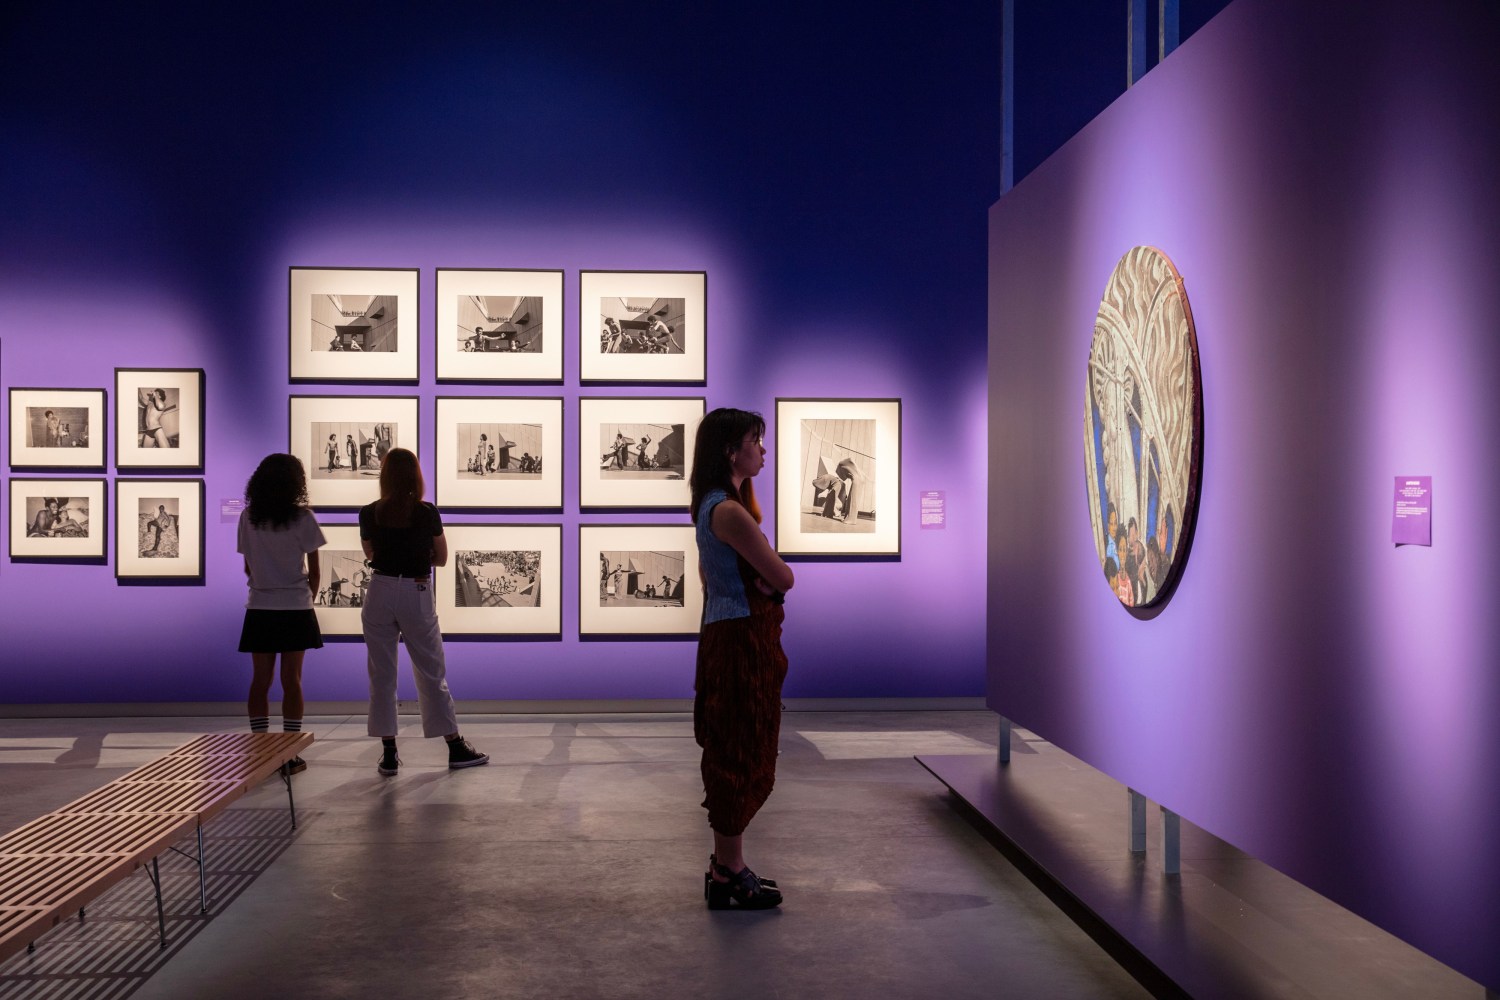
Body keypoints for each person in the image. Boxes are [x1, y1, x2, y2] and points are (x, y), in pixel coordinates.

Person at [690, 407, 794, 910]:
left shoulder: (714, 505)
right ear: (732, 450)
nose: (763, 449)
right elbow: (785, 576)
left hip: (728, 634)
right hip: (739, 642)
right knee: (739, 749)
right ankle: (729, 870)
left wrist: (763, 581)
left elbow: (720, 580)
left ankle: (725, 867)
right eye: (757, 440)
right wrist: (768, 582)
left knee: (734, 744)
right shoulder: (729, 511)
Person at [359, 448, 488, 775]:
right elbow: (442, 558)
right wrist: (420, 554)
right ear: (415, 475)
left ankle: (389, 753)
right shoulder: (426, 512)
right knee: (431, 670)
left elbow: (371, 554)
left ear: (384, 476)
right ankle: (454, 745)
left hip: (379, 589)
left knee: (382, 673)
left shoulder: (369, 513)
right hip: (415, 588)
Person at [236, 454, 324, 774]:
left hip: (260, 606)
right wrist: (305, 600)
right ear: (295, 482)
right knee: (292, 680)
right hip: (295, 607)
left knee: (261, 680)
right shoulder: (304, 518)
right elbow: (315, 572)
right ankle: (289, 752)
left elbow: (247, 565)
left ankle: (260, 748)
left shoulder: (248, 517)